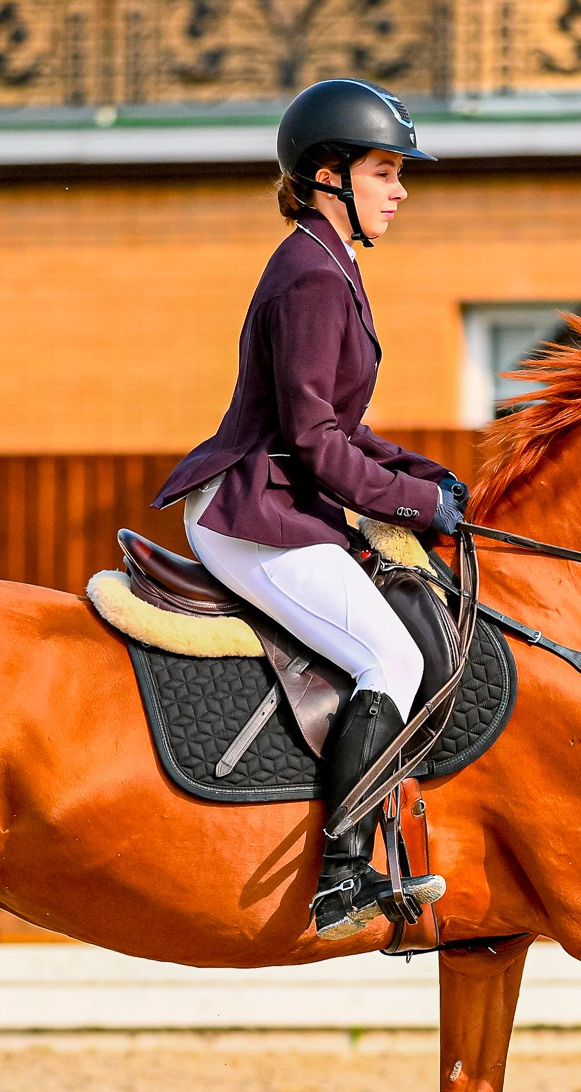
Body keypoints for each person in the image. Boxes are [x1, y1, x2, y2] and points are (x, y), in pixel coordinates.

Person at [154, 79, 463, 941]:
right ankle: (340, 878)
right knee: (391, 657)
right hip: (251, 513)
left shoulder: (328, 262)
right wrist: (418, 503)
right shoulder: (313, 275)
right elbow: (316, 442)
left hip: (277, 500)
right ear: (330, 175)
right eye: (385, 172)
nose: (400, 191)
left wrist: (427, 476)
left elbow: (341, 427)